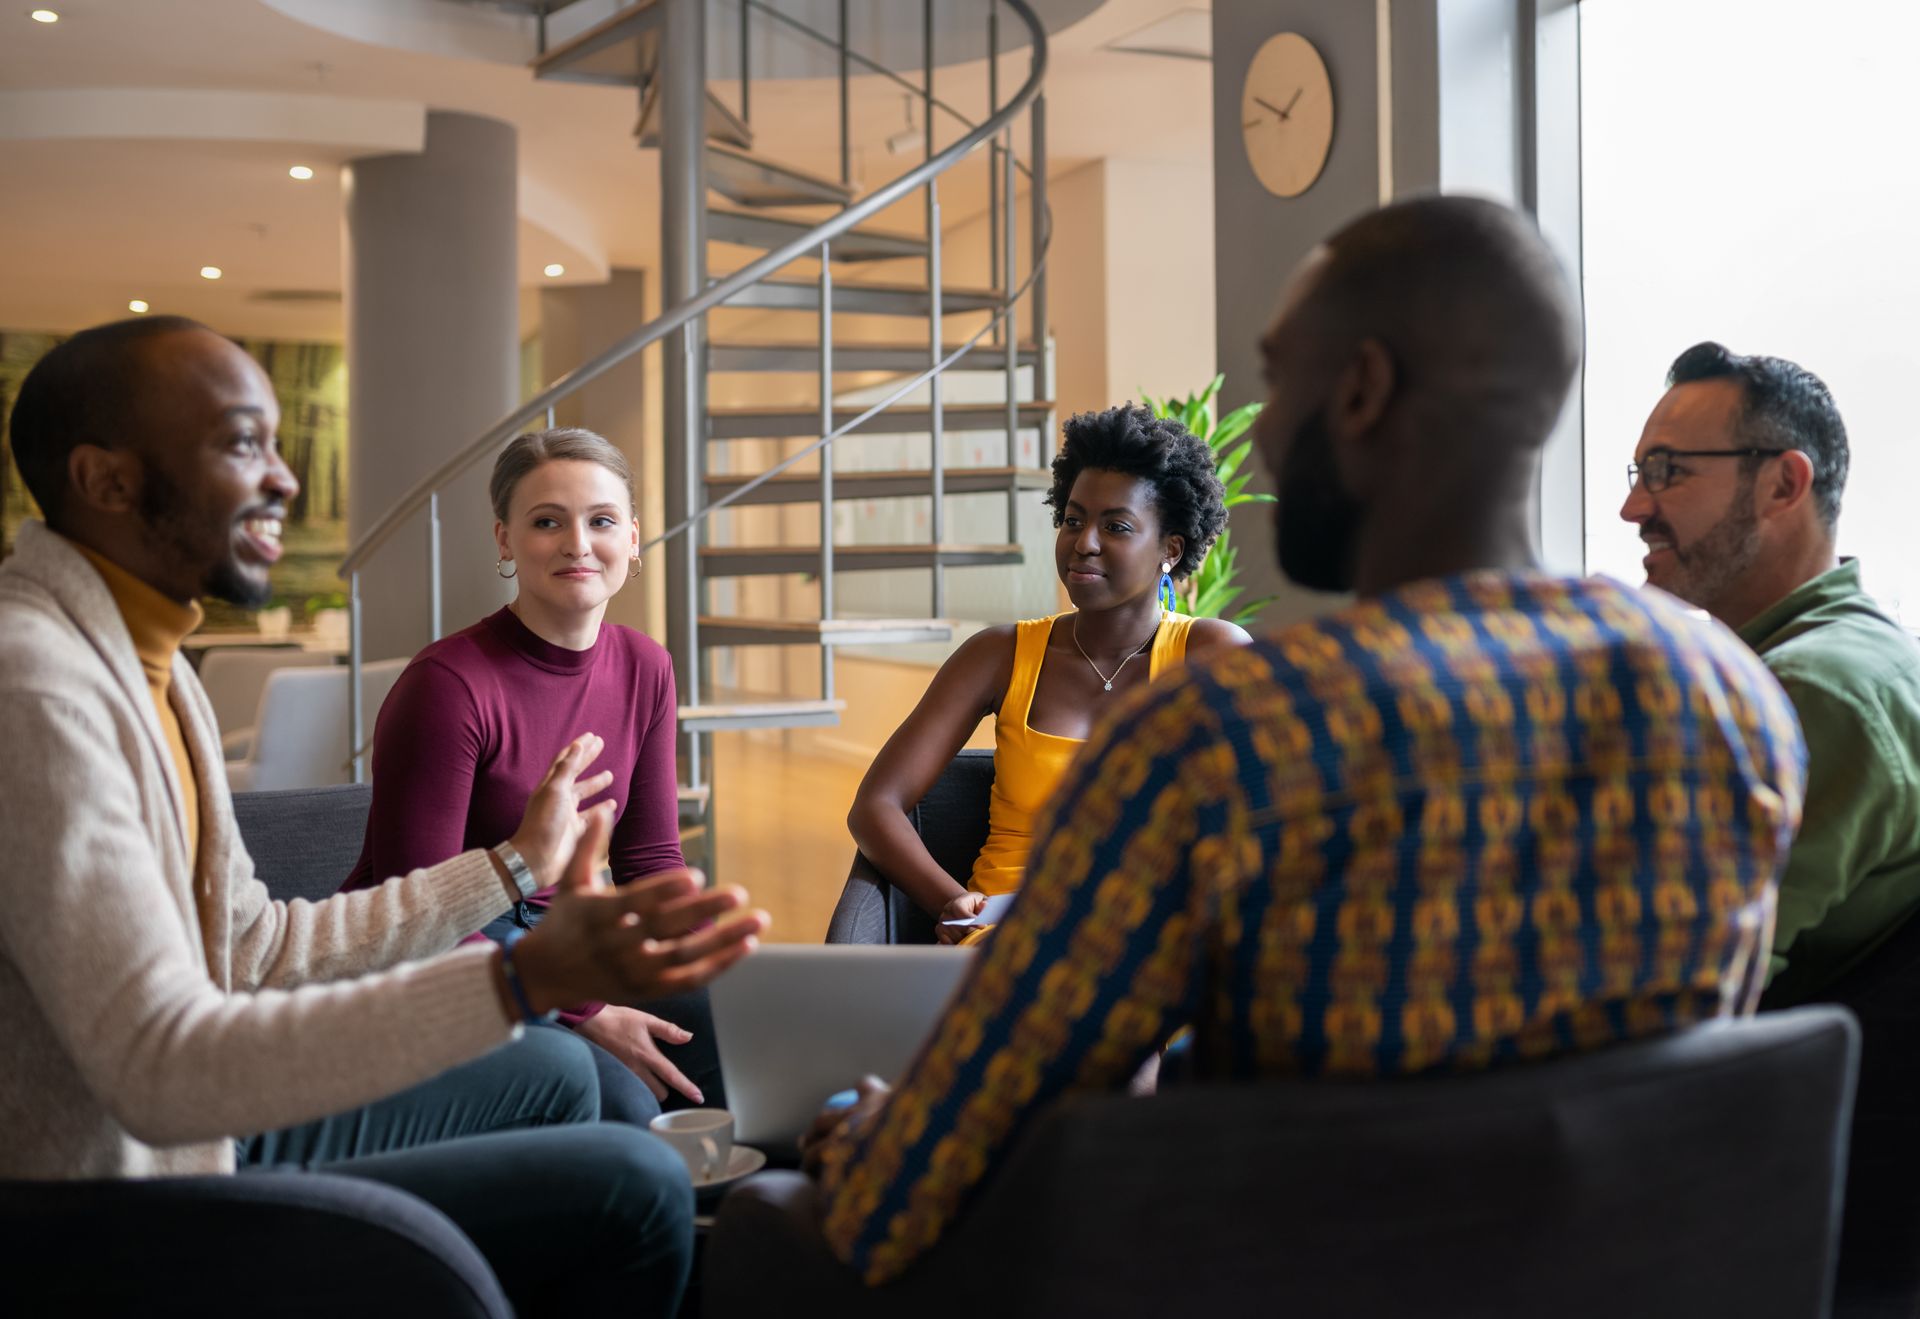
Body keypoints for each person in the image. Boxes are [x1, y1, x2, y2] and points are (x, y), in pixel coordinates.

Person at [802, 197, 1807, 1285]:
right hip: (1616, 1279)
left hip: (1296, 1276)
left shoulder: (1233, 736)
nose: (1268, 432)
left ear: (1363, 390)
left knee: (783, 1218)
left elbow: (935, 1164)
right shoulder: (1728, 699)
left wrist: (858, 1148)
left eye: (1281, 379)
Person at [0, 315, 768, 1316]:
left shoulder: (154, 667)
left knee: (572, 1082)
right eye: (242, 442)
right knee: (636, 1183)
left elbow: (255, 940)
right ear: (107, 480)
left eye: (278, 443)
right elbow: (158, 1070)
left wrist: (514, 869)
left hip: (191, 1115)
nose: (285, 478)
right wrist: (524, 975)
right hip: (118, 1183)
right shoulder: (37, 687)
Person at [341, 426, 713, 1123]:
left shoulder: (646, 665)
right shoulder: (447, 684)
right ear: (506, 540)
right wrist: (586, 1007)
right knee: (628, 1102)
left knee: (729, 1020)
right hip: (447, 951)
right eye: (548, 521)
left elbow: (649, 856)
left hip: (562, 934)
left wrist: (698, 942)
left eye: (601, 521)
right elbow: (418, 908)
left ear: (632, 539)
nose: (578, 543)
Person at [846, 404, 1250, 942]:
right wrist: (948, 902)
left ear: (1170, 550)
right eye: (1073, 519)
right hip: (1002, 945)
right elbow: (876, 806)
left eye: (1117, 526)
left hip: (1147, 950)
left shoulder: (1211, 654)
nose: (1084, 541)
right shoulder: (999, 654)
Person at [1621, 341, 1920, 1007]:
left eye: (1667, 472)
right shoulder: (1865, 658)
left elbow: (1682, 992)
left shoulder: (1810, 691)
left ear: (1784, 484)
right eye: (1637, 474)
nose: (1634, 509)